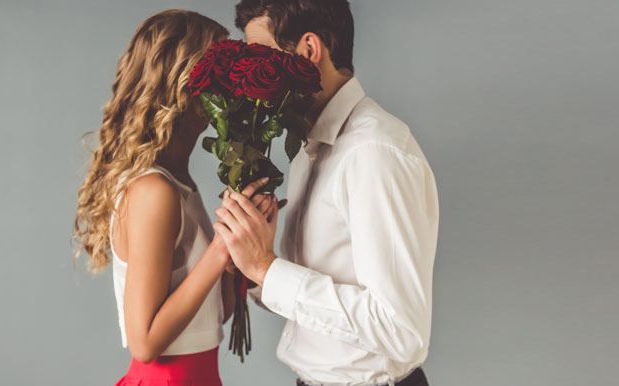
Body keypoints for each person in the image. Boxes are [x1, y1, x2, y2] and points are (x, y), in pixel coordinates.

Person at [213, 1, 438, 385]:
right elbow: (329, 311)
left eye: (261, 56)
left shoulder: (372, 152)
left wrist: (267, 269)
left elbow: (401, 331)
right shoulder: (311, 149)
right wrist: (255, 271)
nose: (251, 76)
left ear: (309, 50)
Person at [73, 10, 276, 386]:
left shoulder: (179, 183)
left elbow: (205, 322)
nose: (230, 91)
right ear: (185, 85)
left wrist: (236, 259)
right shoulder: (155, 191)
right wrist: (219, 250)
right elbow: (145, 342)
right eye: (220, 77)